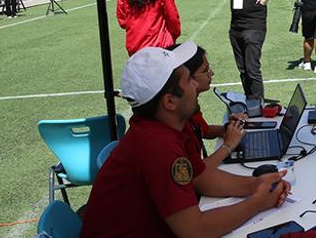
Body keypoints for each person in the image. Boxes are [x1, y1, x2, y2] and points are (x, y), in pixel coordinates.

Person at [80, 41, 291, 238]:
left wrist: (257, 184)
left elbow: (202, 178)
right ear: (170, 101)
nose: (195, 85)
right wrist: (258, 202)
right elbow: (194, 230)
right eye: (189, 79)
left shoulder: (162, 129)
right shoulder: (157, 145)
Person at [170, 43, 248, 169]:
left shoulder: (187, 106)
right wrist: (227, 146)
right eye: (205, 70)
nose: (211, 73)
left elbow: (203, 130)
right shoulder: (175, 122)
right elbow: (197, 175)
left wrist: (229, 128)